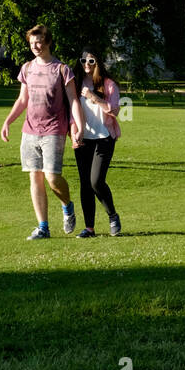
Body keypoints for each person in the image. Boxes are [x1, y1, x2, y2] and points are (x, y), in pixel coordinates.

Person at [0, 24, 85, 239]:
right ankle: (43, 227)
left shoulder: (62, 70)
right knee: (34, 177)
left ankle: (67, 205)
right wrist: (8, 121)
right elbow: (22, 100)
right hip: (30, 130)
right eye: (31, 43)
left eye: (38, 42)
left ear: (47, 42)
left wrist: (79, 125)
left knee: (52, 178)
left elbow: (73, 99)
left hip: (54, 130)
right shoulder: (27, 68)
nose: (35, 46)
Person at [72, 47, 122, 237]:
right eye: (83, 60)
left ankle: (113, 216)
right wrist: (74, 131)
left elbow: (114, 111)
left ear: (98, 63)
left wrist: (93, 97)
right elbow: (71, 112)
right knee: (85, 184)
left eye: (91, 61)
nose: (86, 64)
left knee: (96, 181)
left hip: (104, 138)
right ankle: (89, 228)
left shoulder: (109, 84)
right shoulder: (75, 84)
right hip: (84, 139)